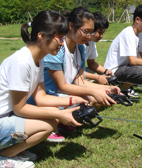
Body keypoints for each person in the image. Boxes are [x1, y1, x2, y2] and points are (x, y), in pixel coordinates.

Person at [0, 10, 87, 168]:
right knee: (48, 124)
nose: (62, 43)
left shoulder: (37, 61)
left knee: (50, 118)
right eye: (59, 38)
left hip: (7, 118)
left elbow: (41, 97)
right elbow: (20, 109)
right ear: (41, 35)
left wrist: (72, 100)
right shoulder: (21, 62)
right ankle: (4, 156)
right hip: (2, 120)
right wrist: (59, 114)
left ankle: (12, 150)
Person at [27, 7, 120, 141]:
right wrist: (94, 92)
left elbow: (79, 81)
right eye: (86, 31)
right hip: (49, 95)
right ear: (71, 26)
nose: (89, 36)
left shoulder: (81, 48)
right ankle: (53, 122)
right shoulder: (56, 48)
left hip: (59, 94)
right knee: (90, 98)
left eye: (91, 32)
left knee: (92, 100)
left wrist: (106, 89)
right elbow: (62, 86)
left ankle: (62, 122)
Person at [84, 12, 113, 85]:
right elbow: (73, 72)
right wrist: (97, 77)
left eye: (103, 32)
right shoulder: (78, 43)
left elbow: (91, 63)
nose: (102, 36)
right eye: (100, 32)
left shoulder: (91, 42)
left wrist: (106, 71)